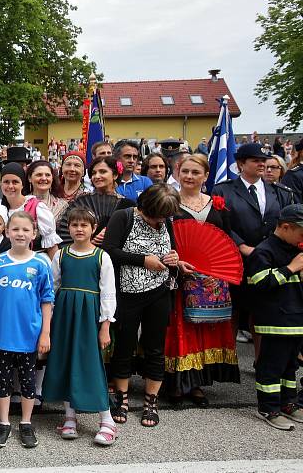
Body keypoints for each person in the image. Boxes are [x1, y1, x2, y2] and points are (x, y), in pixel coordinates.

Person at [101, 184, 188, 429]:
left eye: (164, 217)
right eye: (155, 216)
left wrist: (175, 260)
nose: (159, 221)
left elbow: (171, 251)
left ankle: (151, 401)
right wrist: (142, 260)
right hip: (127, 293)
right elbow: (108, 251)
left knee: (155, 347)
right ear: (144, 207)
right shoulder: (124, 216)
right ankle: (122, 397)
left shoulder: (165, 221)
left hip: (159, 292)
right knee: (125, 346)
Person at [164, 155, 240, 406]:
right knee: (178, 330)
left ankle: (196, 384)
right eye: (185, 171)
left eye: (195, 172)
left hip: (211, 278)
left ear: (205, 176)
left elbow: (226, 240)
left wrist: (219, 267)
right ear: (176, 172)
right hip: (178, 276)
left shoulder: (217, 205)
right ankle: (175, 383)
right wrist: (175, 263)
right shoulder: (169, 203)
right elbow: (162, 237)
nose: (189, 176)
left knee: (204, 330)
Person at [213, 143, 296, 356]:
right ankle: (227, 360)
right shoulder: (223, 190)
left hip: (269, 260)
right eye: (255, 160)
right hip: (235, 259)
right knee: (233, 310)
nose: (262, 164)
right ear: (241, 164)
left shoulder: (279, 192)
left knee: (263, 312)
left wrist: (267, 251)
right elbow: (220, 224)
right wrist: (242, 246)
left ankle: (262, 361)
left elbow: (288, 223)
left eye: (263, 160)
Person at [43, 208, 117, 446]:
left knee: (90, 364)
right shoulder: (61, 255)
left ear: (93, 228)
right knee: (65, 361)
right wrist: (48, 321)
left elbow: (108, 293)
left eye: (84, 225)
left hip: (88, 315)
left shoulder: (101, 257)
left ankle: (107, 420)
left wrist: (105, 325)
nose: (79, 229)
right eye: (75, 225)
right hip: (64, 315)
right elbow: (51, 289)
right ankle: (70, 417)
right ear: (69, 229)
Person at [0, 212, 53, 449]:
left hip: (30, 336)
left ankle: (25, 422)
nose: (20, 234)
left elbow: (47, 302)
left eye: (25, 230)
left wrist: (45, 333)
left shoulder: (41, 263)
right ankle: (3, 423)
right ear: (7, 232)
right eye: (15, 229)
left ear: (34, 233)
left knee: (28, 383)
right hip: (3, 336)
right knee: (2, 383)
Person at [245, 204, 303, 430]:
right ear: (286, 227)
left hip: (296, 320)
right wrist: (290, 268)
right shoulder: (264, 251)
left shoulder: (293, 249)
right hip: (275, 321)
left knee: (290, 367)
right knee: (271, 366)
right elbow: (260, 284)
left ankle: (288, 402)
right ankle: (268, 407)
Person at [0, 163, 61, 259]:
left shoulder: (36, 207)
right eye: (6, 182)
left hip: (32, 262)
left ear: (22, 185)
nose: (10, 186)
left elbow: (51, 246)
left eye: (15, 182)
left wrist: (56, 272)